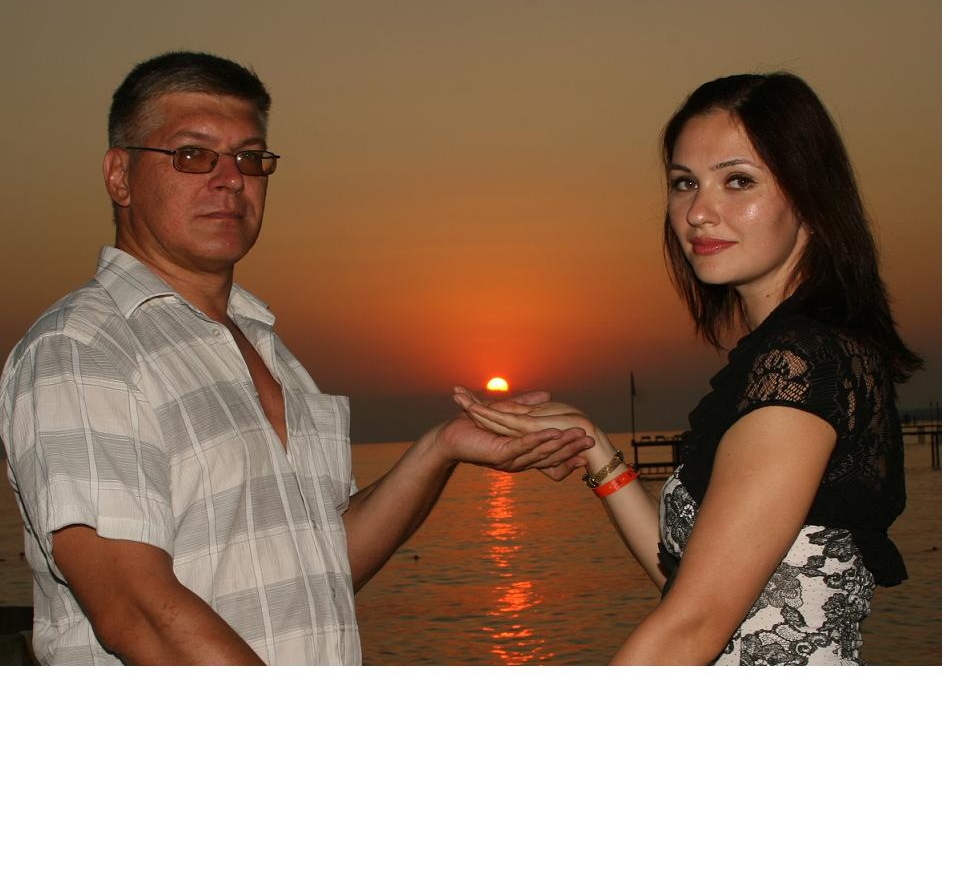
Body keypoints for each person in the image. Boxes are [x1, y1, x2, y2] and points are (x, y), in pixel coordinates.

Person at [0, 51, 591, 665]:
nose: (231, 179)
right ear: (119, 176)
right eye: (193, 155)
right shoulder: (83, 349)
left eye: (250, 158)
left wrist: (439, 450)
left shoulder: (267, 349)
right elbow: (137, 611)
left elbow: (319, 569)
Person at [464, 72, 922, 665]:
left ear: (810, 195)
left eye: (738, 181)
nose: (699, 212)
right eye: (685, 183)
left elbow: (694, 625)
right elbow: (696, 586)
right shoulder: (793, 354)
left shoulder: (802, 365)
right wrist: (595, 449)